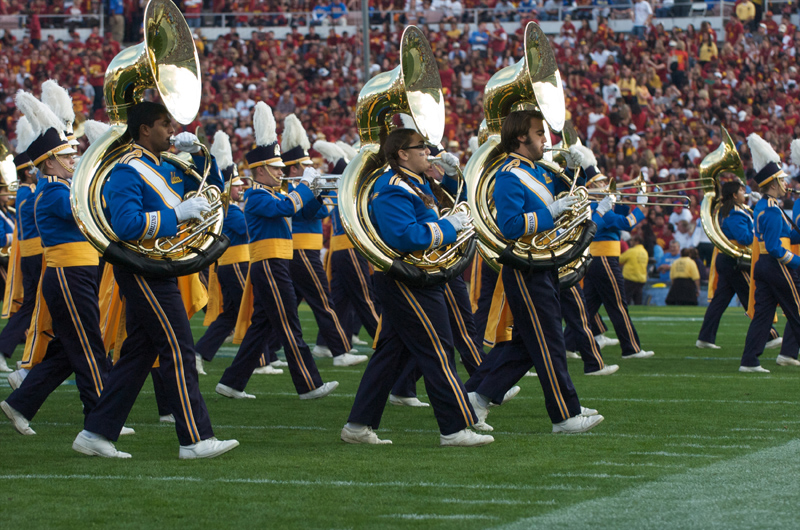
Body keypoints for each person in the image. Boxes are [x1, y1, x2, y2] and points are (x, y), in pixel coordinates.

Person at [74, 101, 239, 459]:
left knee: (138, 353)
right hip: (143, 268)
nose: (171, 130)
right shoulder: (127, 170)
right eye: (165, 124)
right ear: (145, 129)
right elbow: (127, 225)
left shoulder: (162, 165)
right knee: (179, 349)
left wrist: (200, 159)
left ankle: (95, 432)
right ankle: (195, 439)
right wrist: (177, 213)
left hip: (159, 267)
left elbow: (211, 196)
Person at [341, 127, 493, 447]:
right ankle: (454, 427)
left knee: (390, 356)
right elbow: (405, 236)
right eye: (420, 147)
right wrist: (447, 228)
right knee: (437, 349)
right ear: (402, 154)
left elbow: (450, 204)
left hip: (418, 276)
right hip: (407, 279)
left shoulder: (417, 181)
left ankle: (357, 425)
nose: (428, 151)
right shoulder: (392, 186)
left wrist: (454, 178)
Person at [463, 110, 605, 434]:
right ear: (520, 137)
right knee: (550, 340)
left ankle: (477, 397)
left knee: (527, 345)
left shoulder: (537, 171)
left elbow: (570, 193)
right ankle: (564, 416)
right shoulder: (509, 175)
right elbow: (510, 226)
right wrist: (551, 212)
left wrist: (577, 169)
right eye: (539, 133)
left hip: (543, 264)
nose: (545, 139)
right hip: (525, 268)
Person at [1, 91, 112, 438]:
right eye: (66, 155)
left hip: (79, 273)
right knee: (88, 346)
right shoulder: (52, 192)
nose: (74, 158)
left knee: (68, 349)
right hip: (68, 274)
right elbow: (88, 212)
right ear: (49, 162)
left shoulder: (64, 186)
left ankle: (21, 403)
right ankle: (100, 419)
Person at [217, 102, 338, 400]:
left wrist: (317, 192)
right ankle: (309, 384)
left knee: (262, 326)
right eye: (276, 168)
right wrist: (305, 188)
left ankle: (231, 383)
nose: (282, 172)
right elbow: (286, 207)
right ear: (261, 170)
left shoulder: (275, 191)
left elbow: (305, 210)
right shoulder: (256, 196)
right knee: (288, 324)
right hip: (269, 264)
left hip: (278, 263)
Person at [279, 114, 365, 367]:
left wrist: (315, 190)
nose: (309, 169)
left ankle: (268, 352)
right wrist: (311, 189)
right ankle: (339, 352)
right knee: (324, 301)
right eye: (303, 165)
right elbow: (311, 212)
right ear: (293, 169)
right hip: (302, 249)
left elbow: (322, 211)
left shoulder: (300, 187)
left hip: (307, 249)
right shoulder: (291, 189)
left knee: (287, 306)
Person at [696, 180, 783, 351]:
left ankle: (705, 337)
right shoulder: (735, 213)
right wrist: (759, 232)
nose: (745, 193)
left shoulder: (731, 211)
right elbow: (744, 237)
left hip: (727, 260)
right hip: (734, 261)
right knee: (752, 296)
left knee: (719, 301)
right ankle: (769, 335)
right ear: (735, 195)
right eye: (742, 191)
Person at [739, 134, 800, 373]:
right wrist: (797, 261)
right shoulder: (773, 211)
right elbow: (776, 247)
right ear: (773, 183)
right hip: (776, 266)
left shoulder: (766, 206)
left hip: (763, 266)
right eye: (782, 180)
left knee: (763, 316)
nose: (786, 184)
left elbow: (789, 236)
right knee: (797, 310)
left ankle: (750, 360)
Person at [584, 171, 654, 359]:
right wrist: (641, 206)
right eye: (601, 183)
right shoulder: (596, 207)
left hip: (598, 260)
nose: (606, 184)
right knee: (618, 305)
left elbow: (620, 214)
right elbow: (625, 223)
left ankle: (569, 344)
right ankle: (631, 348)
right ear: (590, 187)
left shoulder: (602, 206)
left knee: (587, 308)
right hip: (604, 259)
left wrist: (622, 201)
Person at [0, 117, 39, 375]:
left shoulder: (29, 190)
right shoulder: (29, 192)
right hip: (34, 254)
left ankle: (31, 360)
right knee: (32, 305)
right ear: (28, 171)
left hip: (36, 253)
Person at [620, 234, 649, 305]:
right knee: (638, 299)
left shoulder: (631, 251)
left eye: (632, 241)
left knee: (626, 299)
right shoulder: (645, 252)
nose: (630, 242)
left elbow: (620, 259)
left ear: (637, 241)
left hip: (630, 278)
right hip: (641, 279)